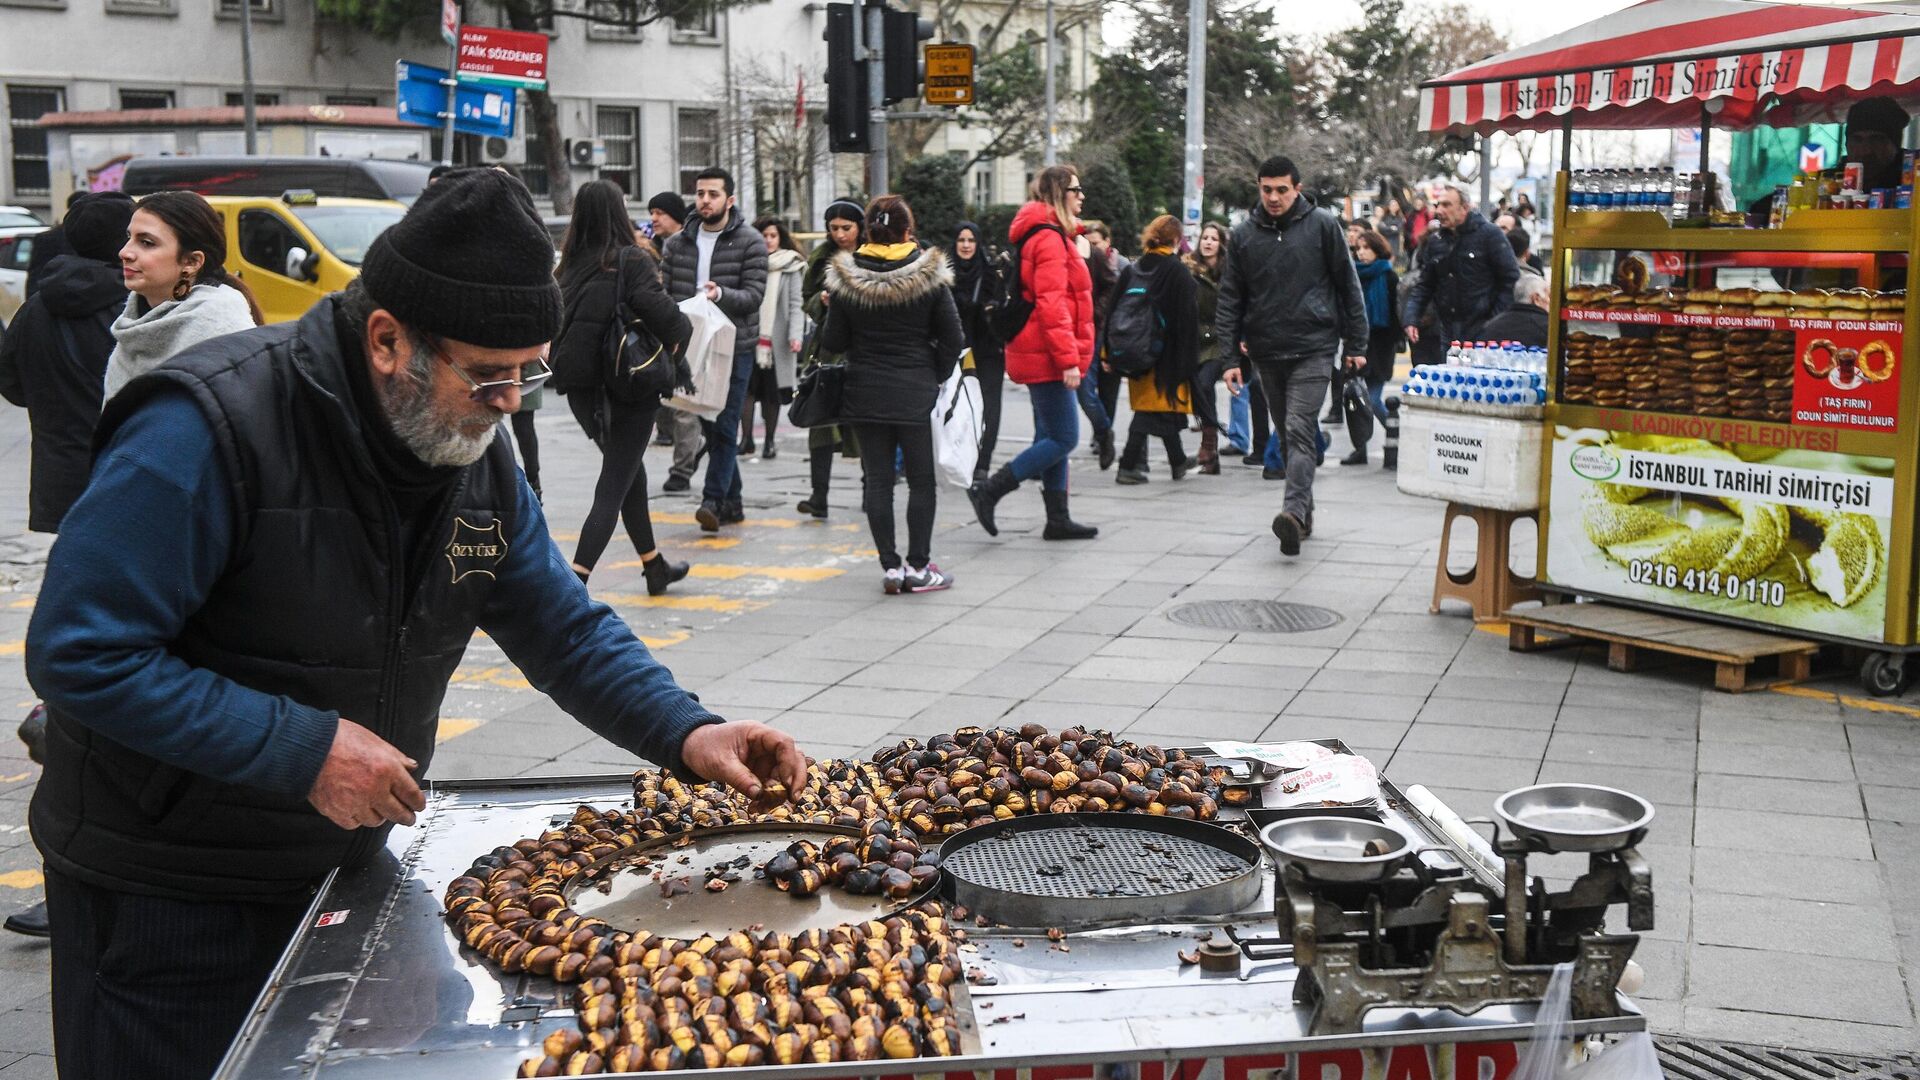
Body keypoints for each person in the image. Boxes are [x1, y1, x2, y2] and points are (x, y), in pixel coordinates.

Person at [24, 168, 808, 1080]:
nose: (513, 401)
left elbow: (559, 625)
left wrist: (689, 729)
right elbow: (82, 653)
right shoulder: (206, 427)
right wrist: (303, 749)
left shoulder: (474, 451)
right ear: (389, 341)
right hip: (168, 895)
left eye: (531, 373)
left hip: (340, 863)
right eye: (489, 375)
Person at [0, 192, 133, 942]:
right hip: (129, 487)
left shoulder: (38, 306)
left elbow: (10, 381)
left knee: (79, 628)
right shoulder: (136, 306)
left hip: (63, 492)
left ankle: (62, 715)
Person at [1217, 154, 1367, 557]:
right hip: (1266, 350)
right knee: (1288, 437)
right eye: (1266, 189)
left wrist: (1356, 345)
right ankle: (1304, 516)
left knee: (1300, 428)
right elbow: (1230, 298)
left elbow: (1348, 285)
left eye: (1282, 189)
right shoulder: (1244, 235)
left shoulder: (1322, 226)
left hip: (1314, 347)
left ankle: (1292, 512)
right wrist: (1230, 357)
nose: (1274, 197)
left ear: (1297, 189)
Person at [552, 179, 695, 595]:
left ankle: (654, 566)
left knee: (629, 472)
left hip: (582, 392)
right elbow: (670, 320)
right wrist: (682, 331)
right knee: (614, 482)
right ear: (618, 213)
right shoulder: (630, 259)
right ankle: (573, 587)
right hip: (628, 386)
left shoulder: (568, 264)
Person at [816, 195, 964, 594]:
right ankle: (919, 566)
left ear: (868, 231)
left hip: (864, 391)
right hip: (916, 391)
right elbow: (953, 337)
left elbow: (833, 341)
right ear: (906, 230)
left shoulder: (846, 278)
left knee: (878, 481)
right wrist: (936, 373)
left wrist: (834, 310)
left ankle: (891, 567)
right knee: (920, 481)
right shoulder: (929, 277)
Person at [968, 165, 1098, 541]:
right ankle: (990, 490)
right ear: (1059, 193)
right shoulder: (1049, 240)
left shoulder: (1053, 235)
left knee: (1051, 435)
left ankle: (1058, 518)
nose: (1082, 196)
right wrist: (1069, 360)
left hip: (1042, 349)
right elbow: (1052, 306)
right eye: (1076, 189)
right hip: (1047, 352)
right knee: (1064, 438)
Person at [661, 168, 768, 532]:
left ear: (730, 200)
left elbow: (754, 296)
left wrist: (720, 294)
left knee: (724, 424)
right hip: (690, 344)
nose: (705, 200)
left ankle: (712, 499)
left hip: (733, 346)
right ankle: (732, 501)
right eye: (701, 193)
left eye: (713, 194)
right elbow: (665, 293)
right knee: (707, 421)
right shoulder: (677, 243)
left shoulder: (750, 241)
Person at [103, 190, 261, 401]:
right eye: (129, 237)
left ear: (191, 262)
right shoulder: (134, 325)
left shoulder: (218, 328)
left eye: (147, 243)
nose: (125, 252)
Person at [1112, 215, 1199, 485]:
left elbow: (1114, 308)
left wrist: (1108, 352)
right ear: (1176, 239)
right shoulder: (1176, 270)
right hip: (1166, 355)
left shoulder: (1134, 268)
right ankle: (1127, 465)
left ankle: (1178, 461)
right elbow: (1186, 319)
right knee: (1152, 410)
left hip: (1134, 350)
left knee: (1161, 407)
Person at [795, 200, 864, 519]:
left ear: (860, 228)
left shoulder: (871, 256)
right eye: (834, 228)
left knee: (864, 423)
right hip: (826, 348)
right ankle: (818, 495)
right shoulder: (821, 257)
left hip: (861, 348)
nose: (840, 235)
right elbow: (806, 299)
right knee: (819, 421)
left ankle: (872, 490)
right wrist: (820, 301)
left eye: (846, 228)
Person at [1402, 182, 1520, 362]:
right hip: (1448, 333)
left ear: (1464, 208)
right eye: (1437, 205)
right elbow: (1425, 284)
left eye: (1447, 205)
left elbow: (1511, 281)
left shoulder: (1490, 235)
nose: (1439, 210)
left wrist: (1493, 322)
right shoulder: (1436, 241)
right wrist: (1411, 318)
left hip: (1484, 335)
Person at [647, 191, 706, 479]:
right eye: (652, 212)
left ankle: (682, 470)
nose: (653, 218)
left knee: (684, 402)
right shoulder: (649, 247)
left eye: (660, 213)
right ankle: (694, 444)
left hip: (688, 328)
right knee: (664, 401)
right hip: (657, 333)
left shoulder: (688, 245)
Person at [743, 217, 804, 461]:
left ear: (780, 238)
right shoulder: (748, 263)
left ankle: (769, 441)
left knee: (772, 394)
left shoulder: (791, 265)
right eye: (764, 235)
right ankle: (745, 439)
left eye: (773, 235)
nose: (768, 240)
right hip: (749, 337)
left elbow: (796, 304)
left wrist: (795, 336)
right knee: (745, 391)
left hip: (775, 342)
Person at [949, 221, 1004, 482]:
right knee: (958, 407)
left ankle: (983, 462)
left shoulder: (991, 273)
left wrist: (992, 309)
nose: (967, 245)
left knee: (989, 407)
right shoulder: (945, 274)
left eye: (971, 240)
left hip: (988, 349)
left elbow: (1002, 305)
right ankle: (961, 457)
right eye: (961, 240)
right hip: (955, 351)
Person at [1343, 228, 1402, 467]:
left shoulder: (1388, 276)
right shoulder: (1352, 276)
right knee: (1356, 401)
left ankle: (1399, 438)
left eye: (1367, 248)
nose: (1362, 253)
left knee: (1373, 399)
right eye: (1358, 249)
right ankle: (1360, 448)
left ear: (1378, 250)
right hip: (1356, 344)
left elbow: (1396, 316)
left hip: (1380, 347)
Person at [1187, 221, 1229, 474]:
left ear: (1221, 244)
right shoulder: (1190, 270)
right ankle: (1211, 455)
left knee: (1204, 385)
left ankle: (1209, 443)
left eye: (1214, 238)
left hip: (1221, 341)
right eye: (1205, 238)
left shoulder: (1230, 272)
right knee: (1199, 391)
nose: (1208, 242)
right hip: (1195, 341)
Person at [1082, 221, 1125, 467]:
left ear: (1107, 242)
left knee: (1108, 391)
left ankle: (1102, 436)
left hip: (1111, 335)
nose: (1092, 246)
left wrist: (1097, 312)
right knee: (1087, 390)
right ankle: (1102, 433)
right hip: (1090, 332)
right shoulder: (1084, 258)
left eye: (1096, 242)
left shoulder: (1121, 265)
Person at [1478, 274, 1551, 349]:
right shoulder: (1549, 328)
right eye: (1549, 296)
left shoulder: (1489, 326)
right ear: (1536, 299)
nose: (1552, 302)